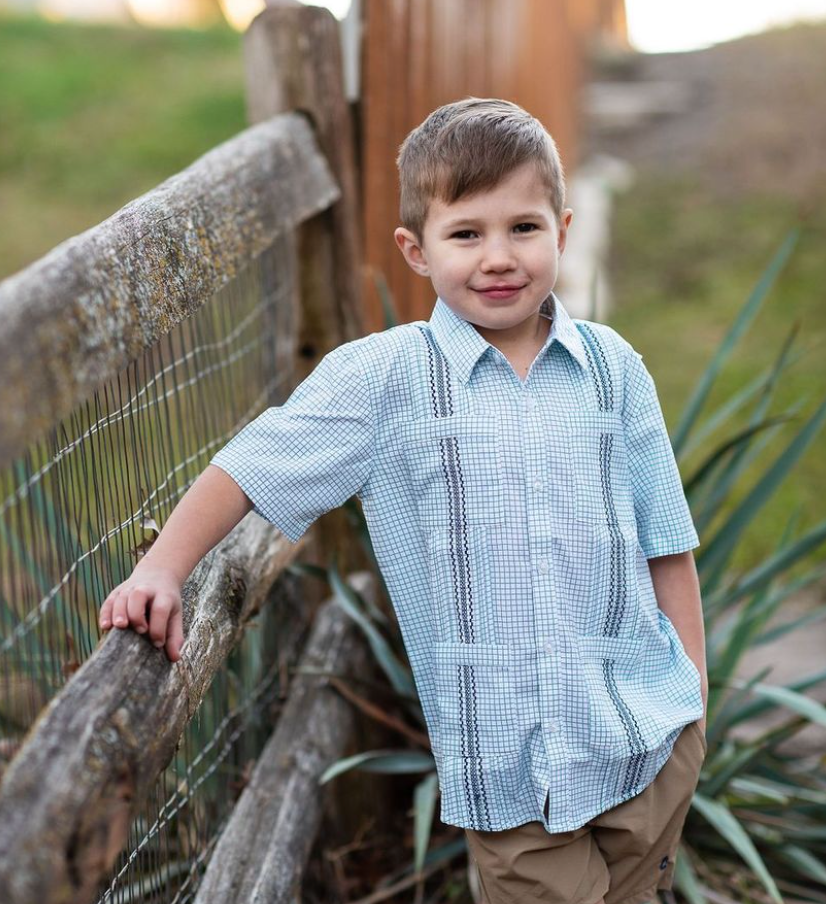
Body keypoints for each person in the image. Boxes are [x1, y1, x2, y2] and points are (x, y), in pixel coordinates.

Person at [99, 97, 708, 904]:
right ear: (415, 250)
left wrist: (692, 699)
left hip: (644, 739)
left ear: (562, 228)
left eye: (523, 228)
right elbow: (254, 465)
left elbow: (665, 537)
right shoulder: (383, 380)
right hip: (515, 778)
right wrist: (163, 571)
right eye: (466, 234)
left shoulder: (613, 368)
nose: (499, 257)